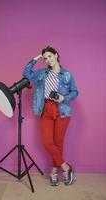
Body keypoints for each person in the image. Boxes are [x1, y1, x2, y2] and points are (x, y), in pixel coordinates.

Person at [23, 46, 78, 186]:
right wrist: (36, 58)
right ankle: (67, 167)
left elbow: (75, 92)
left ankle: (53, 171)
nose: (48, 60)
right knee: (47, 142)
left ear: (56, 55)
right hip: (46, 108)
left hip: (62, 109)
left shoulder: (67, 74)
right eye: (45, 58)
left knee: (58, 142)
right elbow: (26, 73)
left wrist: (63, 97)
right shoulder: (41, 73)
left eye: (50, 56)